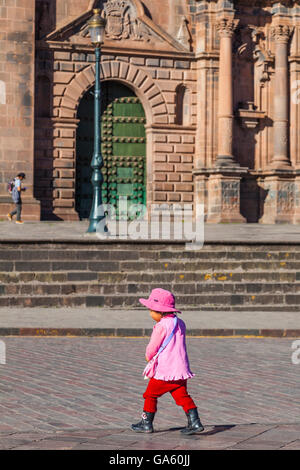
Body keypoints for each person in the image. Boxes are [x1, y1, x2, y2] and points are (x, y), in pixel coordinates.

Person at [131, 288, 204, 435]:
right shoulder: (180, 323)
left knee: (150, 395)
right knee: (182, 395)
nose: (150, 313)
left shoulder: (161, 326)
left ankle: (146, 422)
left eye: (151, 310)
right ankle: (195, 422)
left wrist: (148, 356)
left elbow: (153, 346)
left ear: (160, 311)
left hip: (165, 371)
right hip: (180, 369)